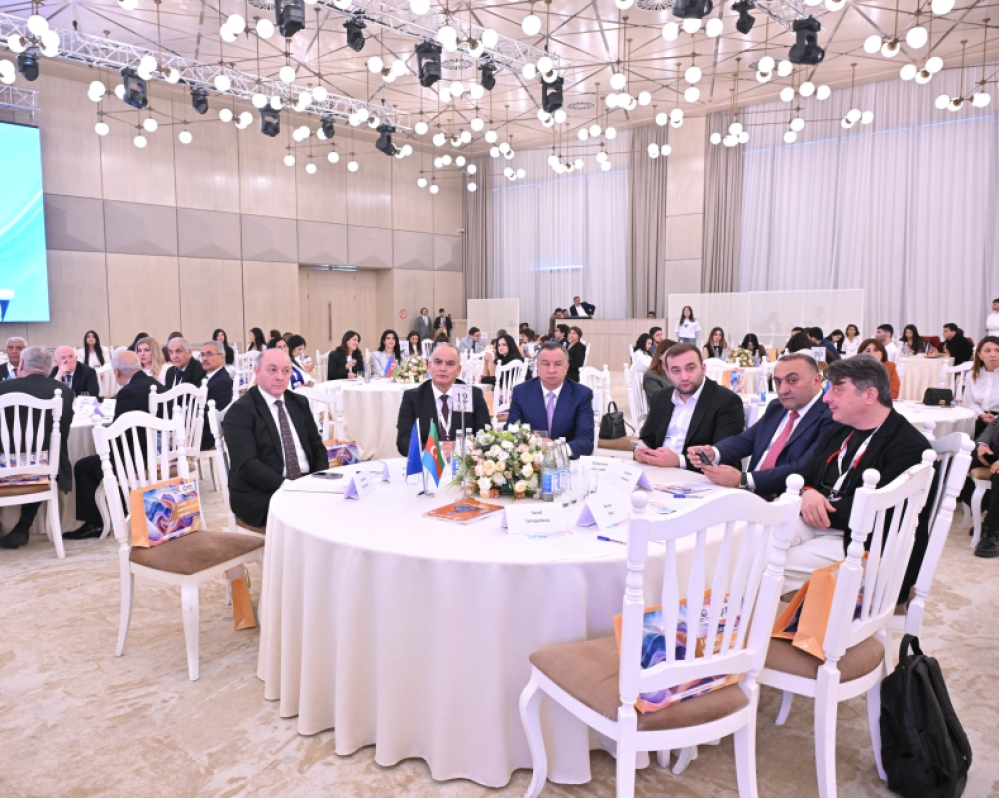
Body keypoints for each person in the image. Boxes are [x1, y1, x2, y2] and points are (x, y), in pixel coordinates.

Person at [783, 357, 932, 593]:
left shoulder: (909, 446)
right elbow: (802, 477)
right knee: (750, 538)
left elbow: (875, 514)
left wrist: (812, 505)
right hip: (822, 522)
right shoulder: (838, 433)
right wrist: (806, 494)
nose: (826, 398)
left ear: (870, 395)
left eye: (837, 389)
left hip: (864, 542)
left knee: (769, 562)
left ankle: (742, 614)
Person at [689, 354, 840, 498]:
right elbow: (747, 440)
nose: (783, 390)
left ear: (816, 380)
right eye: (778, 382)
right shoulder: (777, 406)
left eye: (792, 381)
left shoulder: (831, 416)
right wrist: (714, 452)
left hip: (784, 499)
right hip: (748, 495)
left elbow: (805, 467)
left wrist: (744, 479)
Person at [224, 348, 328, 529]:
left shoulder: (299, 403)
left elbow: (317, 447)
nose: (280, 377)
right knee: (313, 518)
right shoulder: (240, 411)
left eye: (286, 371)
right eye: (272, 370)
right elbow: (247, 465)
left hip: (306, 484)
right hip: (263, 492)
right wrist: (289, 488)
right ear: (257, 371)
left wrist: (317, 481)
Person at [71, 351, 166, 539]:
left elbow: (118, 434)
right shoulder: (156, 385)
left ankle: (97, 522)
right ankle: (118, 509)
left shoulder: (129, 392)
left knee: (84, 466)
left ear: (116, 372)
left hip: (139, 457)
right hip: (160, 453)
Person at [0, 347, 75, 550]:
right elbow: (63, 433)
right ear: (49, 367)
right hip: (45, 468)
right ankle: (23, 525)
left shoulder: (3, 388)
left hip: (4, 467)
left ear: (22, 364)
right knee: (41, 458)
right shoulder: (65, 392)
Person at [636, 343, 745, 470]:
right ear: (668, 374)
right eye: (676, 371)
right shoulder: (661, 397)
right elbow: (647, 439)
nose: (684, 377)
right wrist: (640, 452)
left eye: (690, 368)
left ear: (703, 368)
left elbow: (725, 456)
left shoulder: (726, 401)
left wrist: (678, 461)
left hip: (699, 476)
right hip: (657, 471)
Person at [395, 342, 490, 457]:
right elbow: (403, 442)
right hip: (428, 463)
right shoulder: (412, 398)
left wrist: (459, 447)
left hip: (463, 462)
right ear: (429, 366)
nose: (443, 368)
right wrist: (436, 449)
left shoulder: (472, 395)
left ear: (458, 370)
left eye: (450, 364)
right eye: (438, 362)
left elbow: (486, 437)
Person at [506, 342, 594, 459]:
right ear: (537, 366)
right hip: (531, 461)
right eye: (546, 364)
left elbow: (586, 442)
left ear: (566, 367)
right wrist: (531, 440)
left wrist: (556, 448)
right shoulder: (521, 392)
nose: (551, 370)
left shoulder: (581, 394)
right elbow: (510, 432)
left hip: (566, 462)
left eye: (558, 364)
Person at [198, 340, 234, 449]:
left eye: (209, 354)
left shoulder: (222, 382)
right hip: (198, 430)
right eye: (202, 355)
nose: (204, 359)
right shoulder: (208, 377)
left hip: (207, 435)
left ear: (222, 357)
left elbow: (212, 417)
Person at [972, 418, 998, 557]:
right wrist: (983, 443)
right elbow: (996, 421)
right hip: (993, 451)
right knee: (953, 465)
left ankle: (992, 533)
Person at [965, 336, 999, 437]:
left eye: (997, 350)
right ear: (979, 354)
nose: (993, 355)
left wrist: (995, 419)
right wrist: (982, 415)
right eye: (987, 351)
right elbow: (969, 403)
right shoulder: (972, 375)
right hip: (979, 417)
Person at [643, 339, 673, 404]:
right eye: (671, 353)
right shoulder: (651, 376)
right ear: (660, 356)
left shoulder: (680, 374)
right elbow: (659, 401)